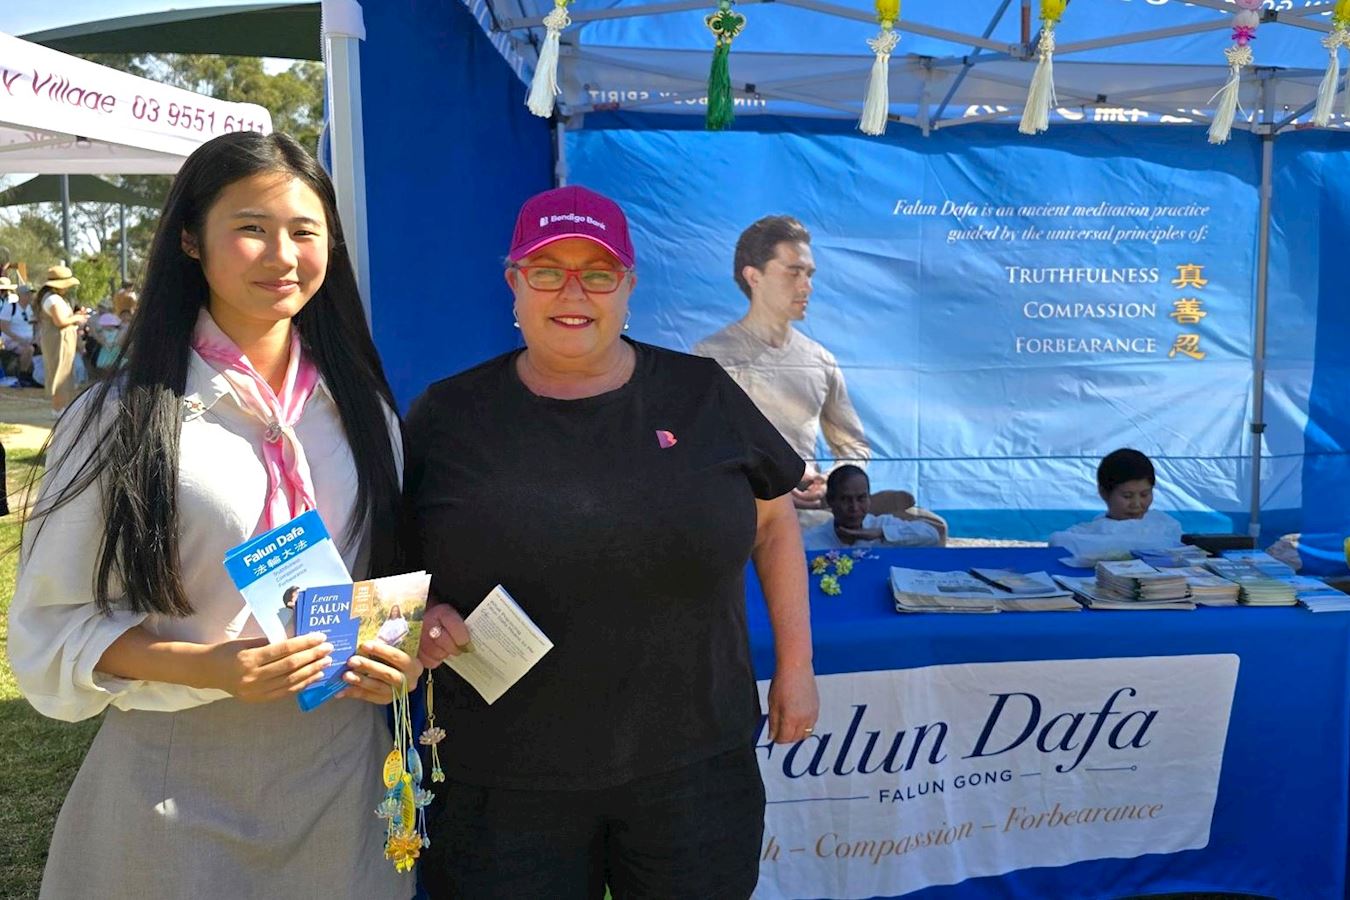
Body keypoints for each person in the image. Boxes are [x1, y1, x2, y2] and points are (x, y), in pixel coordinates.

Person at [8, 131, 415, 899]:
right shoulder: (119, 418)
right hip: (176, 786)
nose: (282, 256)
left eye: (304, 231)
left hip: (343, 784)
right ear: (190, 239)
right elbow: (50, 627)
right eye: (251, 228)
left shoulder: (363, 414)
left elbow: (382, 580)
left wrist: (399, 648)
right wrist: (210, 667)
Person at [407, 185, 819, 899]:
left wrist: (797, 667)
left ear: (628, 287)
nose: (573, 293)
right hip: (502, 782)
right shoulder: (447, 415)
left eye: (598, 274)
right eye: (547, 271)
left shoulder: (700, 393)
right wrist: (426, 615)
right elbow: (396, 563)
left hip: (693, 768)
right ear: (514, 283)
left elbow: (776, 521)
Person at [694, 215, 869, 512]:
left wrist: (831, 482)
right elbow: (696, 446)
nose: (807, 286)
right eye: (794, 272)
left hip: (809, 519)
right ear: (754, 277)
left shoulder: (820, 360)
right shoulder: (710, 356)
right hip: (738, 515)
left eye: (809, 274)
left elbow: (853, 445)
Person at [1049, 447, 1185, 563]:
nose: (1136, 504)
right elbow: (1058, 541)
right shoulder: (1087, 532)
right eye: (1127, 496)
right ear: (1104, 493)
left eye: (1144, 494)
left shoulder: (1165, 524)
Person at [802, 464, 944, 550]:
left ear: (869, 499)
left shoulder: (881, 525)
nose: (854, 507)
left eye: (861, 498)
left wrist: (881, 533)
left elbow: (932, 536)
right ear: (830, 501)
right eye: (845, 499)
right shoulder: (811, 541)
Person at [35, 264, 88, 418]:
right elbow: (60, 322)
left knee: (66, 373)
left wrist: (76, 315)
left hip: (63, 339)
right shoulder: (52, 299)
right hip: (57, 340)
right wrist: (77, 318)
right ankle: (58, 409)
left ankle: (64, 407)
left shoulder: (57, 299)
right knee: (59, 373)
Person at [0, 276, 39, 386]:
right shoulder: (10, 307)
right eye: (27, 294)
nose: (30, 296)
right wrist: (18, 339)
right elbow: (3, 327)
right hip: (13, 341)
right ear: (20, 295)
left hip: (28, 340)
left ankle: (38, 376)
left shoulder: (31, 309)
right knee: (29, 349)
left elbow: (35, 325)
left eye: (31, 294)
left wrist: (36, 338)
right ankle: (23, 375)